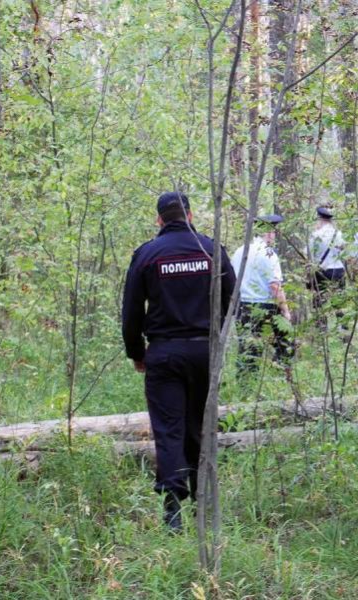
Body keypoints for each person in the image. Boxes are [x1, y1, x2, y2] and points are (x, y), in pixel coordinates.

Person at [121, 192, 236, 531]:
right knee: (201, 425)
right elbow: (233, 301)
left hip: (164, 353)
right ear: (190, 214)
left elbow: (131, 312)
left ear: (159, 219)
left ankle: (172, 511)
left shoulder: (147, 255)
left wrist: (136, 353)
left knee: (169, 430)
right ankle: (203, 500)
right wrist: (217, 343)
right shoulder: (211, 250)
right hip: (204, 352)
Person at [231, 214, 294, 374]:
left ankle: (245, 384)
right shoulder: (268, 253)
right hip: (265, 305)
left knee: (248, 347)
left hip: (243, 305)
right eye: (273, 232)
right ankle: (280, 374)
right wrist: (285, 311)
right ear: (269, 233)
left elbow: (232, 279)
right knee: (285, 343)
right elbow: (275, 286)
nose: (274, 235)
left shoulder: (240, 251)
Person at [307, 206, 346, 327]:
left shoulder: (315, 235)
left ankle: (322, 330)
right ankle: (342, 330)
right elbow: (343, 251)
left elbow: (309, 255)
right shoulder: (339, 234)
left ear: (319, 219)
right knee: (339, 303)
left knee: (320, 303)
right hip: (338, 270)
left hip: (321, 271)